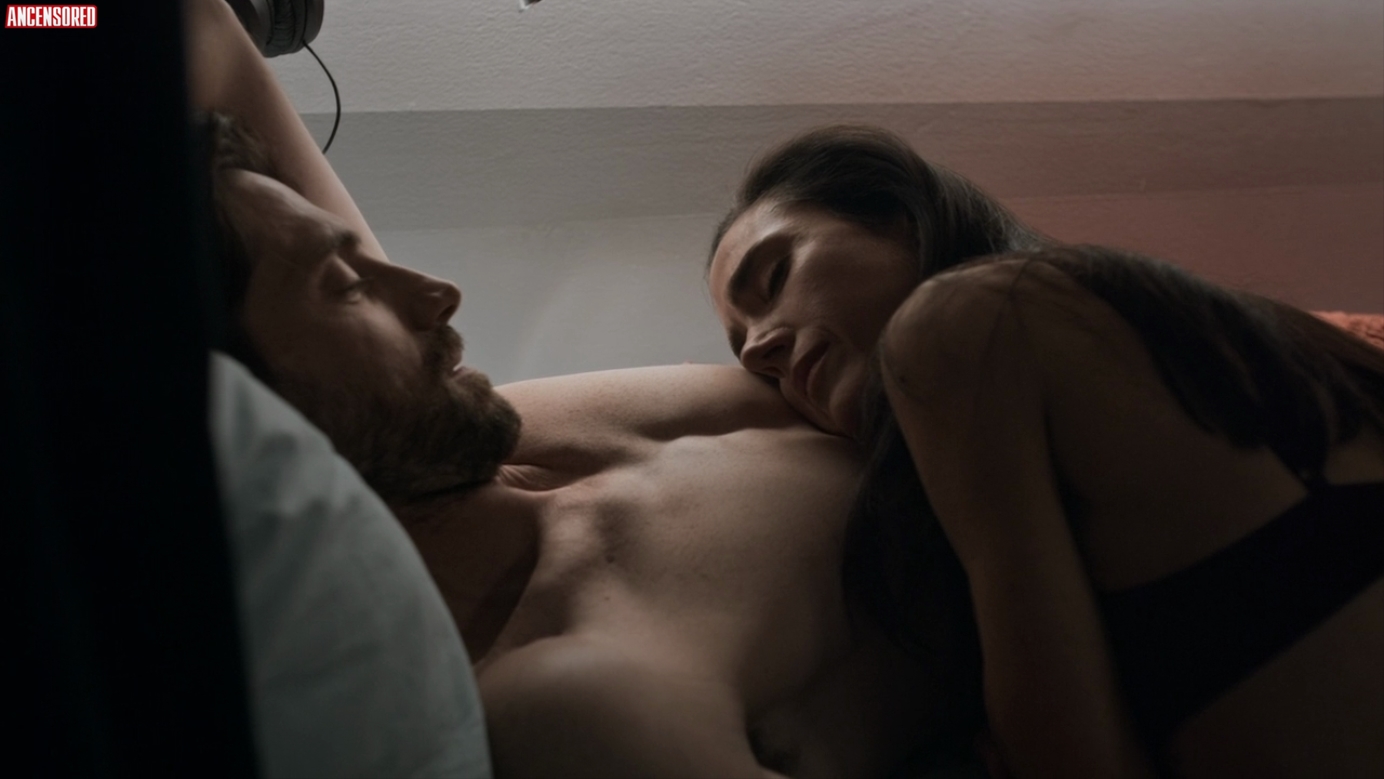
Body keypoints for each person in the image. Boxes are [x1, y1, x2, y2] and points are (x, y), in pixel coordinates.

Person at [187, 2, 956, 776]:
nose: (438, 293)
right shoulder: (574, 695)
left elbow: (198, 26)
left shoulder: (469, 424)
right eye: (347, 284)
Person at [707, 125, 1384, 776]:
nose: (761, 348)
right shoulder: (1162, 327)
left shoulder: (955, 323)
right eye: (745, 355)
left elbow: (1067, 756)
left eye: (774, 277)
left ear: (901, 219)